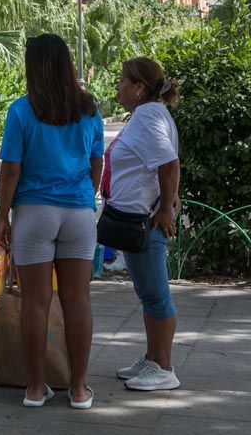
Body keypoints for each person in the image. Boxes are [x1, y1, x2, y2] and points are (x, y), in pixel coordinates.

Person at [0, 34, 104, 410]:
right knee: (78, 300)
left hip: (33, 214)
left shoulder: (21, 111)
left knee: (36, 302)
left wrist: (1, 219)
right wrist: (82, 197)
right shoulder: (89, 110)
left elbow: (11, 170)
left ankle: (36, 388)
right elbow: (97, 164)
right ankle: (78, 388)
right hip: (78, 213)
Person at [105, 57, 181, 391]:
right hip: (136, 218)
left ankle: (164, 367)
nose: (118, 85)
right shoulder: (146, 114)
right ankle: (152, 358)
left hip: (145, 221)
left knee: (156, 295)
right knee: (148, 294)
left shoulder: (149, 116)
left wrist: (165, 208)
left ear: (139, 88)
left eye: (123, 80)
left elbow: (168, 164)